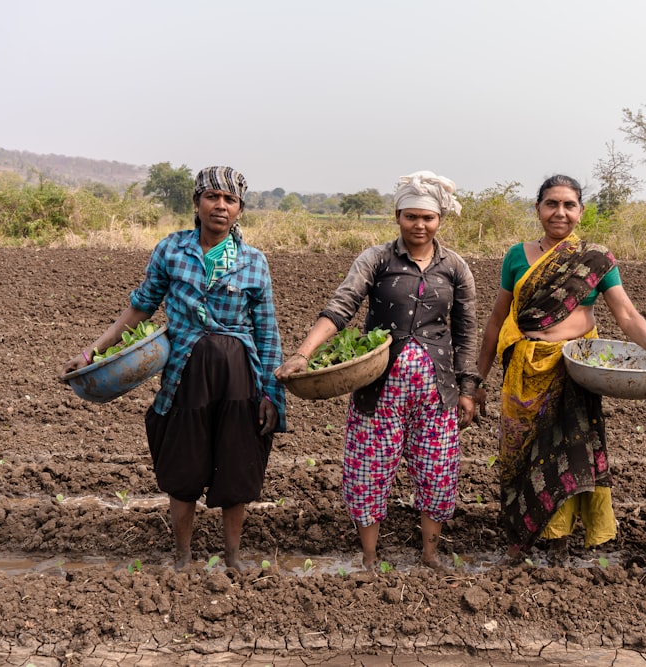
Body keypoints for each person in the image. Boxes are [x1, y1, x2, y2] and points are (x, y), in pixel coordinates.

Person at [61, 166, 285, 572]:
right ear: (196, 203)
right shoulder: (171, 250)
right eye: (212, 197)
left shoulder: (254, 261)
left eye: (230, 200)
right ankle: (182, 557)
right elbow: (141, 306)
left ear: (239, 210)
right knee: (183, 468)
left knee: (237, 465)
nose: (220, 205)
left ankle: (232, 558)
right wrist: (92, 353)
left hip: (240, 377)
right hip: (185, 373)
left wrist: (272, 393)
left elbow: (267, 332)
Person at [475, 174, 646, 559]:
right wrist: (478, 378)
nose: (559, 212)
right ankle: (520, 538)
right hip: (525, 371)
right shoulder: (516, 256)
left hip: (576, 370)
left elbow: (626, 314)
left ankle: (559, 543)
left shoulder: (595, 258)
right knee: (519, 455)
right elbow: (496, 320)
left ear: (580, 210)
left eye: (569, 205)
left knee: (568, 455)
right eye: (551, 204)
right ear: (538, 208)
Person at [274, 170, 479, 570]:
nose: (419, 225)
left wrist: (467, 388)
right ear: (397, 215)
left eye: (428, 218)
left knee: (438, 473)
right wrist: (304, 353)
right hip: (378, 390)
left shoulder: (455, 267)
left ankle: (430, 554)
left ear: (440, 220)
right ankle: (369, 557)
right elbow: (341, 307)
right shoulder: (376, 259)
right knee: (369, 471)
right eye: (410, 216)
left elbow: (466, 332)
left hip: (437, 393)